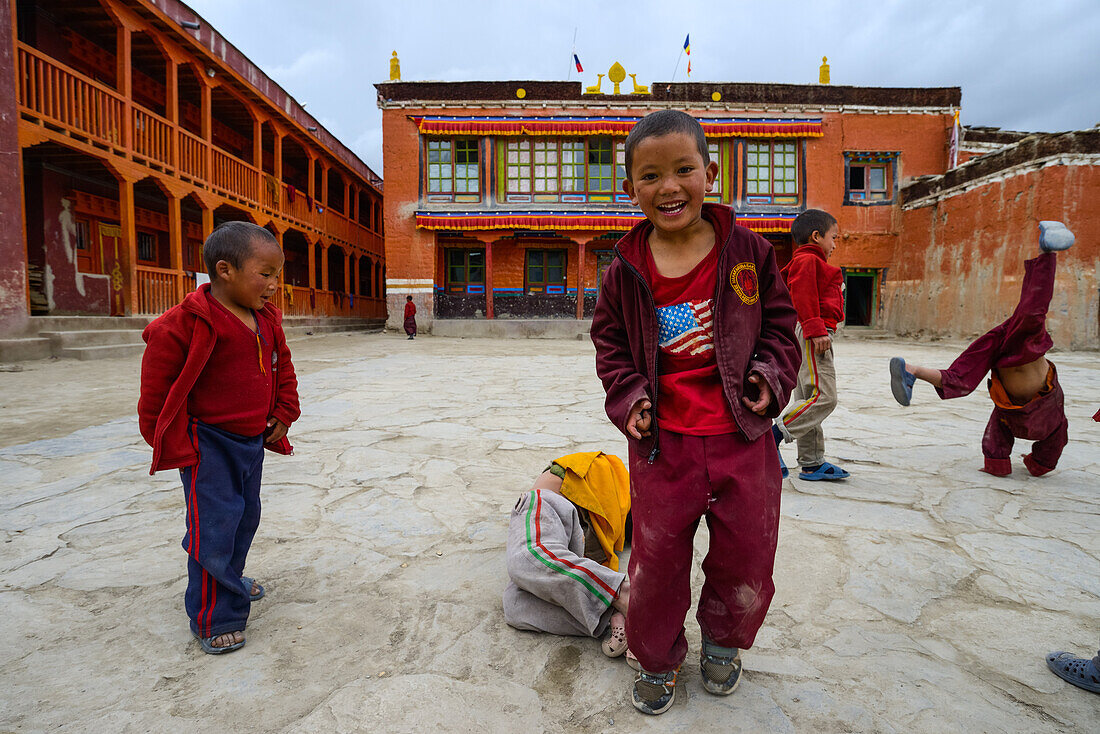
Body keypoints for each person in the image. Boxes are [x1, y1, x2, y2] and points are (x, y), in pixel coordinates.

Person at [591, 110, 801, 715]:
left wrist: (769, 376)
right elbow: (610, 346)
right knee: (656, 561)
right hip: (664, 445)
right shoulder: (624, 270)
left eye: (684, 169)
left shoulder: (750, 254)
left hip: (743, 437)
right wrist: (629, 397)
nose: (670, 187)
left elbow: (782, 328)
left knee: (748, 552)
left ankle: (725, 645)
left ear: (710, 172)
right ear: (630, 188)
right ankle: (657, 658)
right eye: (650, 175)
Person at [139, 221, 300, 654]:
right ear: (225, 270)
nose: (272, 286)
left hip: (251, 441)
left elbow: (282, 367)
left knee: (245, 518)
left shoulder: (265, 319)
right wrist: (169, 442)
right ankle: (215, 616)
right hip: (206, 444)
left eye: (276, 276)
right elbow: (155, 392)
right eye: (264, 274)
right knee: (214, 527)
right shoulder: (183, 325)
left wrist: (285, 411)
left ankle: (230, 580)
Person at [889, 221, 1074, 476]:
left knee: (961, 381)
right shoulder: (1055, 426)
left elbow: (994, 441)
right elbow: (1055, 444)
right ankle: (1046, 252)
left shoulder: (1005, 418)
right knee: (1032, 314)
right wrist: (1039, 466)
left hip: (1001, 353)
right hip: (1025, 353)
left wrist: (997, 465)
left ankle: (911, 370)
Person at [503, 452, 632, 658]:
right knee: (525, 564)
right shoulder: (606, 470)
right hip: (553, 500)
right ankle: (623, 597)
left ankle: (613, 612)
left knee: (516, 603)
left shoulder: (617, 528)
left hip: (575, 540)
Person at [773, 208, 849, 481]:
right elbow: (804, 296)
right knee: (825, 397)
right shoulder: (808, 261)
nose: (834, 245)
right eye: (833, 238)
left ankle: (811, 461)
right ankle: (774, 436)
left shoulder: (808, 261)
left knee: (807, 398)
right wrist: (816, 330)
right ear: (816, 236)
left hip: (809, 330)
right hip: (812, 332)